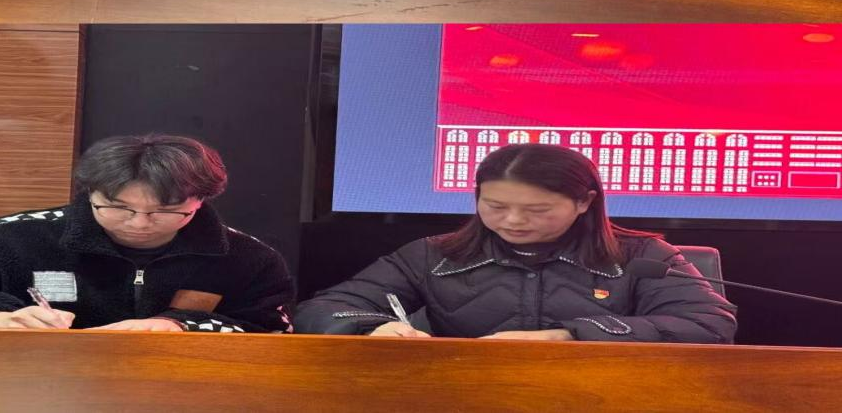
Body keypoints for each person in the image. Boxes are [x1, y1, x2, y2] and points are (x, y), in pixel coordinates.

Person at [0, 133, 294, 332]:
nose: (139, 223)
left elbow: (272, 332)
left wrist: (180, 326)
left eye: (167, 212)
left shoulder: (247, 257)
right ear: (89, 192)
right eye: (117, 208)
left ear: (200, 201)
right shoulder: (12, 238)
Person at [294, 144, 737, 342]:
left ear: (584, 202)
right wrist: (372, 328)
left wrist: (570, 336)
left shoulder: (644, 256)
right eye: (495, 205)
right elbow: (325, 308)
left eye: (537, 209)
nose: (513, 221)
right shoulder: (434, 254)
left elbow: (708, 325)